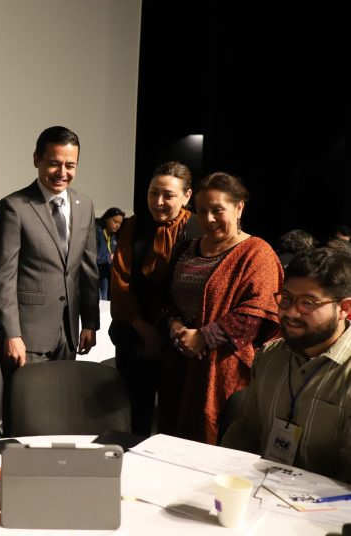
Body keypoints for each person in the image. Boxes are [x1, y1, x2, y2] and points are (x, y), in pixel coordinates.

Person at [0, 126, 99, 434]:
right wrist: (11, 333)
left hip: (68, 332)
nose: (62, 172)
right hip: (26, 335)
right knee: (26, 418)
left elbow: (88, 269)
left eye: (70, 165)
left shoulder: (85, 205)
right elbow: (3, 277)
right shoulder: (14, 206)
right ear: (37, 159)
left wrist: (89, 322)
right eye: (54, 163)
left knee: (60, 415)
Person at [160, 172, 283, 444]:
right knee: (172, 440)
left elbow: (258, 313)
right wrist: (175, 325)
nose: (208, 219)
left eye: (217, 210)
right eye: (202, 211)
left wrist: (203, 337)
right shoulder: (186, 249)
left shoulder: (257, 253)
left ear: (239, 207)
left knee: (216, 443)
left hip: (223, 368)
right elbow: (166, 298)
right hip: (178, 361)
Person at [222, 248, 351, 483]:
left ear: (344, 309)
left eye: (308, 303)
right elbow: (246, 429)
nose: (291, 312)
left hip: (323, 501)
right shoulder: (270, 356)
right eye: (287, 298)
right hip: (258, 489)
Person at [109, 161, 200, 437]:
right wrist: (143, 328)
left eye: (168, 195)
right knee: (133, 417)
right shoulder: (133, 225)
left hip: (181, 341)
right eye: (153, 193)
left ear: (186, 196)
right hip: (134, 333)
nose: (158, 202)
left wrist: (173, 329)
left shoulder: (198, 228)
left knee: (176, 421)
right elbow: (120, 281)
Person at [96, 207, 125, 300]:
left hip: (104, 273)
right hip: (94, 274)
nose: (118, 225)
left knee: (104, 300)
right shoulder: (95, 231)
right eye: (115, 221)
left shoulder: (112, 235)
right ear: (106, 219)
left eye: (120, 223)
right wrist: (110, 257)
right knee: (97, 302)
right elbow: (93, 256)